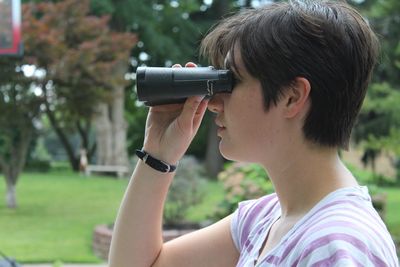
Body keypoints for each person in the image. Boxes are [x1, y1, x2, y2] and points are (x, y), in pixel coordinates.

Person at [109, 0, 399, 266]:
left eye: (230, 81)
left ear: (291, 96)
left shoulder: (335, 247)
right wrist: (158, 155)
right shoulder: (265, 220)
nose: (213, 103)